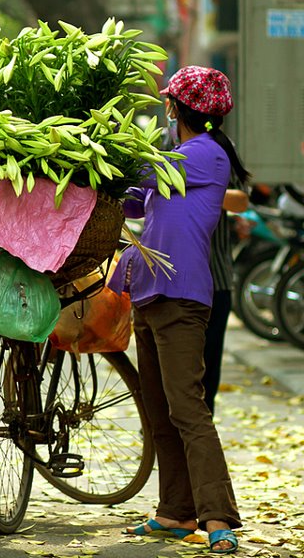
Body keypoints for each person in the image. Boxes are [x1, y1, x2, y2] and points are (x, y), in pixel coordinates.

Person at [112, 66, 246, 554]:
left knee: (189, 410)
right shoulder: (176, 158)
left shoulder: (204, 155)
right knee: (160, 413)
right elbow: (134, 202)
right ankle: (174, 512)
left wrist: (105, 144)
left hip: (183, 298)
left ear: (177, 108)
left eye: (168, 102)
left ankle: (218, 517)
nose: (165, 108)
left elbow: (141, 171)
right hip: (149, 295)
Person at [203, 186, 248, 415]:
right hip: (163, 280)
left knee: (205, 369)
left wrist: (192, 185)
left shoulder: (220, 150)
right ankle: (157, 431)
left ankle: (199, 439)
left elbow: (240, 201)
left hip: (213, 279)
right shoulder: (160, 148)